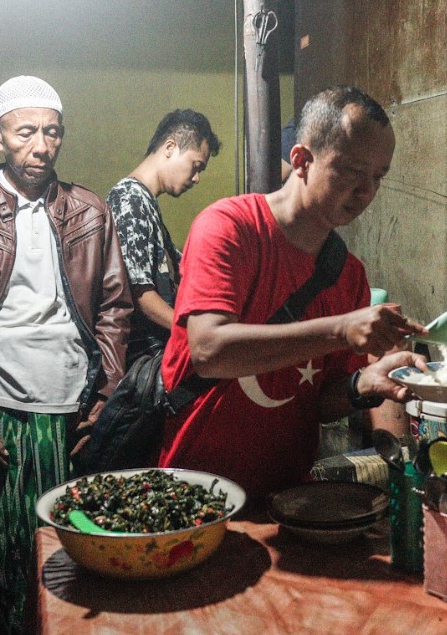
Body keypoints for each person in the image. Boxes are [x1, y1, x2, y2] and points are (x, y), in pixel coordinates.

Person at [0, 75, 131, 633]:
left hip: (77, 410)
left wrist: (107, 397)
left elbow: (116, 308)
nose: (41, 146)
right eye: (26, 133)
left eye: (52, 132)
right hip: (1, 411)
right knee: (10, 552)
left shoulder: (89, 212)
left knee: (82, 547)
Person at [159, 86, 428, 497]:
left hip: (287, 497)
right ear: (301, 160)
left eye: (378, 176)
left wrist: (362, 384)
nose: (367, 191)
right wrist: (339, 329)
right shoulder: (229, 228)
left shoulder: (347, 273)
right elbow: (209, 351)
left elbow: (318, 401)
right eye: (352, 171)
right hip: (195, 488)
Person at [106, 109, 220, 363]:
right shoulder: (130, 199)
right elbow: (141, 295)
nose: (197, 178)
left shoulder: (145, 202)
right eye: (196, 166)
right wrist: (193, 333)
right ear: (170, 147)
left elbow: (183, 269)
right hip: (139, 361)